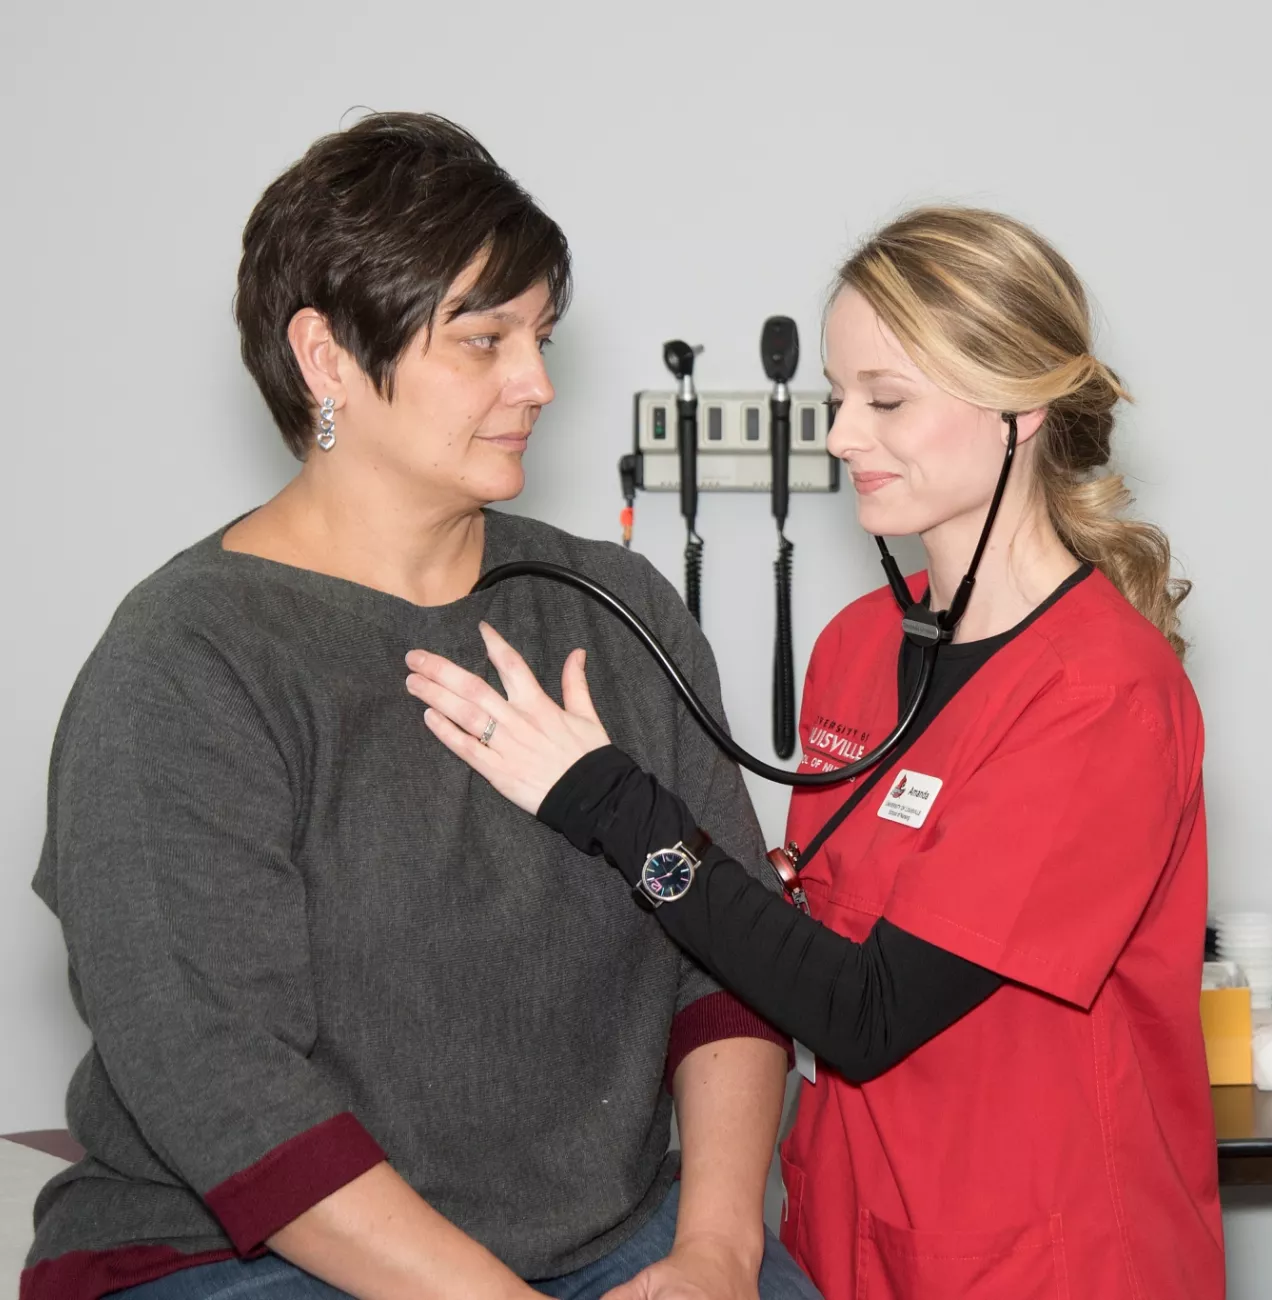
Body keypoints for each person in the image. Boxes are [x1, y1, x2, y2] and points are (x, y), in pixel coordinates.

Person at [25, 112, 819, 1300]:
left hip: (609, 1241)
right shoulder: (186, 661)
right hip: (248, 1252)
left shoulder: (614, 607)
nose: (537, 383)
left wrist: (715, 1250)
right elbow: (217, 1076)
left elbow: (729, 959)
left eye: (540, 336)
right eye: (484, 339)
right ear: (326, 356)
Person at [408, 207, 1225, 1300]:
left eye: (885, 401)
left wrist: (606, 799)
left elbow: (864, 1011)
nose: (840, 437)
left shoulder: (1102, 695)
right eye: (837, 398)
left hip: (1042, 1252)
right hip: (846, 1233)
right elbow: (789, 937)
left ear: (1019, 410)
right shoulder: (855, 646)